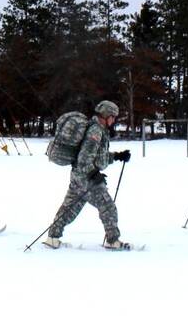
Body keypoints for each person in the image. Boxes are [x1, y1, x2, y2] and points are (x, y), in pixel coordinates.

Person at [43, 100, 131, 250]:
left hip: (78, 176)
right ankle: (113, 241)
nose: (114, 120)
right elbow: (85, 157)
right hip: (87, 178)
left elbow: (97, 156)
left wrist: (116, 156)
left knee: (70, 208)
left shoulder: (97, 129)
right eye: (113, 117)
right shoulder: (95, 131)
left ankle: (53, 237)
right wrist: (93, 174)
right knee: (108, 207)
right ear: (106, 115)